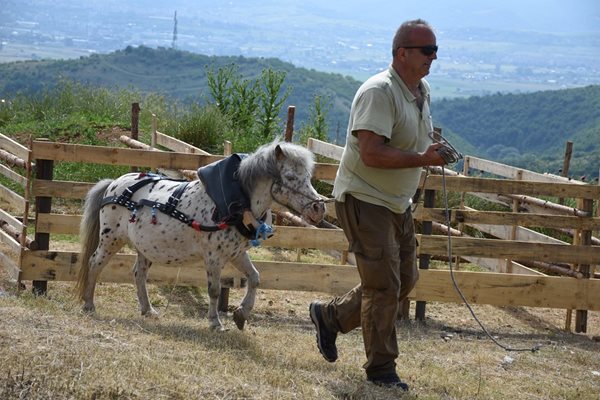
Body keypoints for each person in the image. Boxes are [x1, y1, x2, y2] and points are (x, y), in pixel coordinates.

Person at [309, 19, 448, 391]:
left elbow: (413, 139)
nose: (434, 57)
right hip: (364, 197)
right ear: (402, 53)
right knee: (384, 286)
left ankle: (331, 317)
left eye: (435, 50)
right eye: (427, 50)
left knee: (403, 280)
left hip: (396, 202)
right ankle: (381, 370)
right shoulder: (378, 92)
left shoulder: (421, 90)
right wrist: (423, 159)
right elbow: (370, 153)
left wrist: (430, 152)